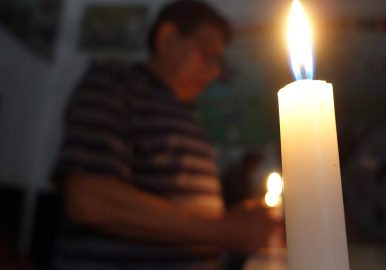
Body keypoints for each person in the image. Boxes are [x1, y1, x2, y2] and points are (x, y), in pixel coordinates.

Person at [52, 1, 281, 269]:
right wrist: (221, 228)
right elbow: (89, 200)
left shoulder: (189, 116)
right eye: (208, 54)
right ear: (167, 38)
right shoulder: (115, 84)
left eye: (219, 61)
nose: (215, 71)